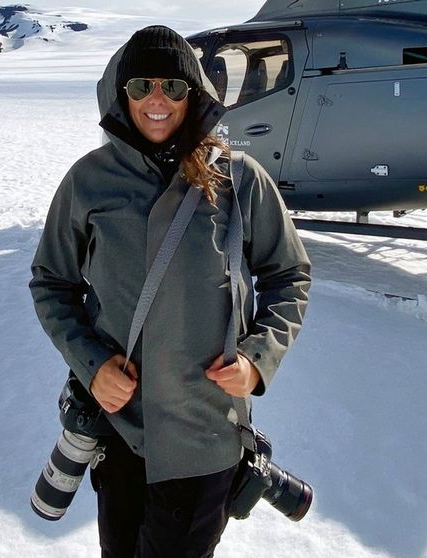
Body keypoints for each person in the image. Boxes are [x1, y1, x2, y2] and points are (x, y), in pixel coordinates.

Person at [30, 25, 311, 558]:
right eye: (141, 87)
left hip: (205, 435)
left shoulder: (239, 180)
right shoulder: (88, 182)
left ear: (195, 95)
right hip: (120, 431)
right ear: (121, 94)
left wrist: (258, 359)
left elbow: (289, 275)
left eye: (173, 87)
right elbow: (51, 283)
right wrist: (93, 365)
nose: (157, 100)